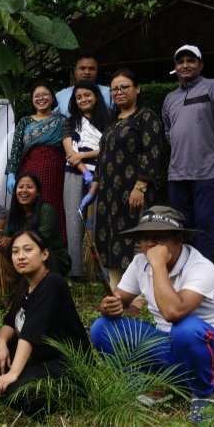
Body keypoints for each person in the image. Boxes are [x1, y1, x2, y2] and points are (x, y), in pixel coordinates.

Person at [90, 206, 214, 425]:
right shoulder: (140, 263)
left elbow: (173, 312)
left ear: (178, 240)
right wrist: (109, 305)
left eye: (159, 238)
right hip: (172, 349)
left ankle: (203, 396)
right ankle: (148, 385)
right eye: (144, 238)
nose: (150, 245)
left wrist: (158, 264)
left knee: (185, 329)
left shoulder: (201, 268)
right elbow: (119, 298)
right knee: (101, 329)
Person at [0, 230, 89, 418]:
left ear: (44, 254)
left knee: (13, 392)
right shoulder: (26, 283)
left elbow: (30, 333)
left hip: (66, 361)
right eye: (15, 252)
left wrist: (13, 373)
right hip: (41, 354)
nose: (20, 256)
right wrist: (1, 344)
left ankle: (60, 399)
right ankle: (27, 378)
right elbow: (10, 320)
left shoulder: (52, 282)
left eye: (27, 250)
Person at [162, 44, 214, 265]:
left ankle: (205, 277)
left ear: (200, 64)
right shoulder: (170, 98)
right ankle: (183, 271)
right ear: (175, 67)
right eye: (180, 62)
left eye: (191, 60)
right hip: (177, 173)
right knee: (180, 227)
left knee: (204, 227)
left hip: (206, 171)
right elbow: (168, 131)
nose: (185, 65)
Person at [94, 69, 164, 290]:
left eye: (125, 87)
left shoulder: (146, 117)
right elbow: (103, 154)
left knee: (136, 237)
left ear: (137, 89)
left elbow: (152, 153)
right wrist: (94, 186)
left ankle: (144, 292)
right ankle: (118, 290)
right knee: (112, 238)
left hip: (132, 190)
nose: (119, 92)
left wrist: (141, 186)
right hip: (108, 194)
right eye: (115, 89)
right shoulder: (113, 121)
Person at [6, 81, 70, 246]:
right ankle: (24, 244)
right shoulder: (25, 122)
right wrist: (12, 173)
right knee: (28, 207)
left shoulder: (62, 121)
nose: (41, 98)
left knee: (53, 206)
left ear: (52, 97)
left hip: (55, 173)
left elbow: (68, 148)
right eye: (37, 96)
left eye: (45, 94)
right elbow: (15, 150)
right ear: (32, 100)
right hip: (29, 170)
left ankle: (55, 248)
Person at [62, 80, 110, 279]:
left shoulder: (109, 120)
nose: (83, 99)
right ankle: (75, 272)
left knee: (101, 221)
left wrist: (83, 156)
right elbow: (69, 152)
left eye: (87, 95)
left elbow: (109, 147)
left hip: (102, 174)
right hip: (74, 175)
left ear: (96, 96)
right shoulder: (69, 121)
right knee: (74, 222)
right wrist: (83, 169)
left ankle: (101, 271)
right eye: (79, 97)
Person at [0, 172, 71, 275]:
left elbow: (39, 240)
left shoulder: (46, 210)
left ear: (38, 193)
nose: (24, 190)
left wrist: (11, 241)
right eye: (20, 187)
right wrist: (0, 242)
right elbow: (5, 236)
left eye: (29, 187)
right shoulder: (13, 214)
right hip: (24, 259)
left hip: (50, 259)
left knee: (32, 252)